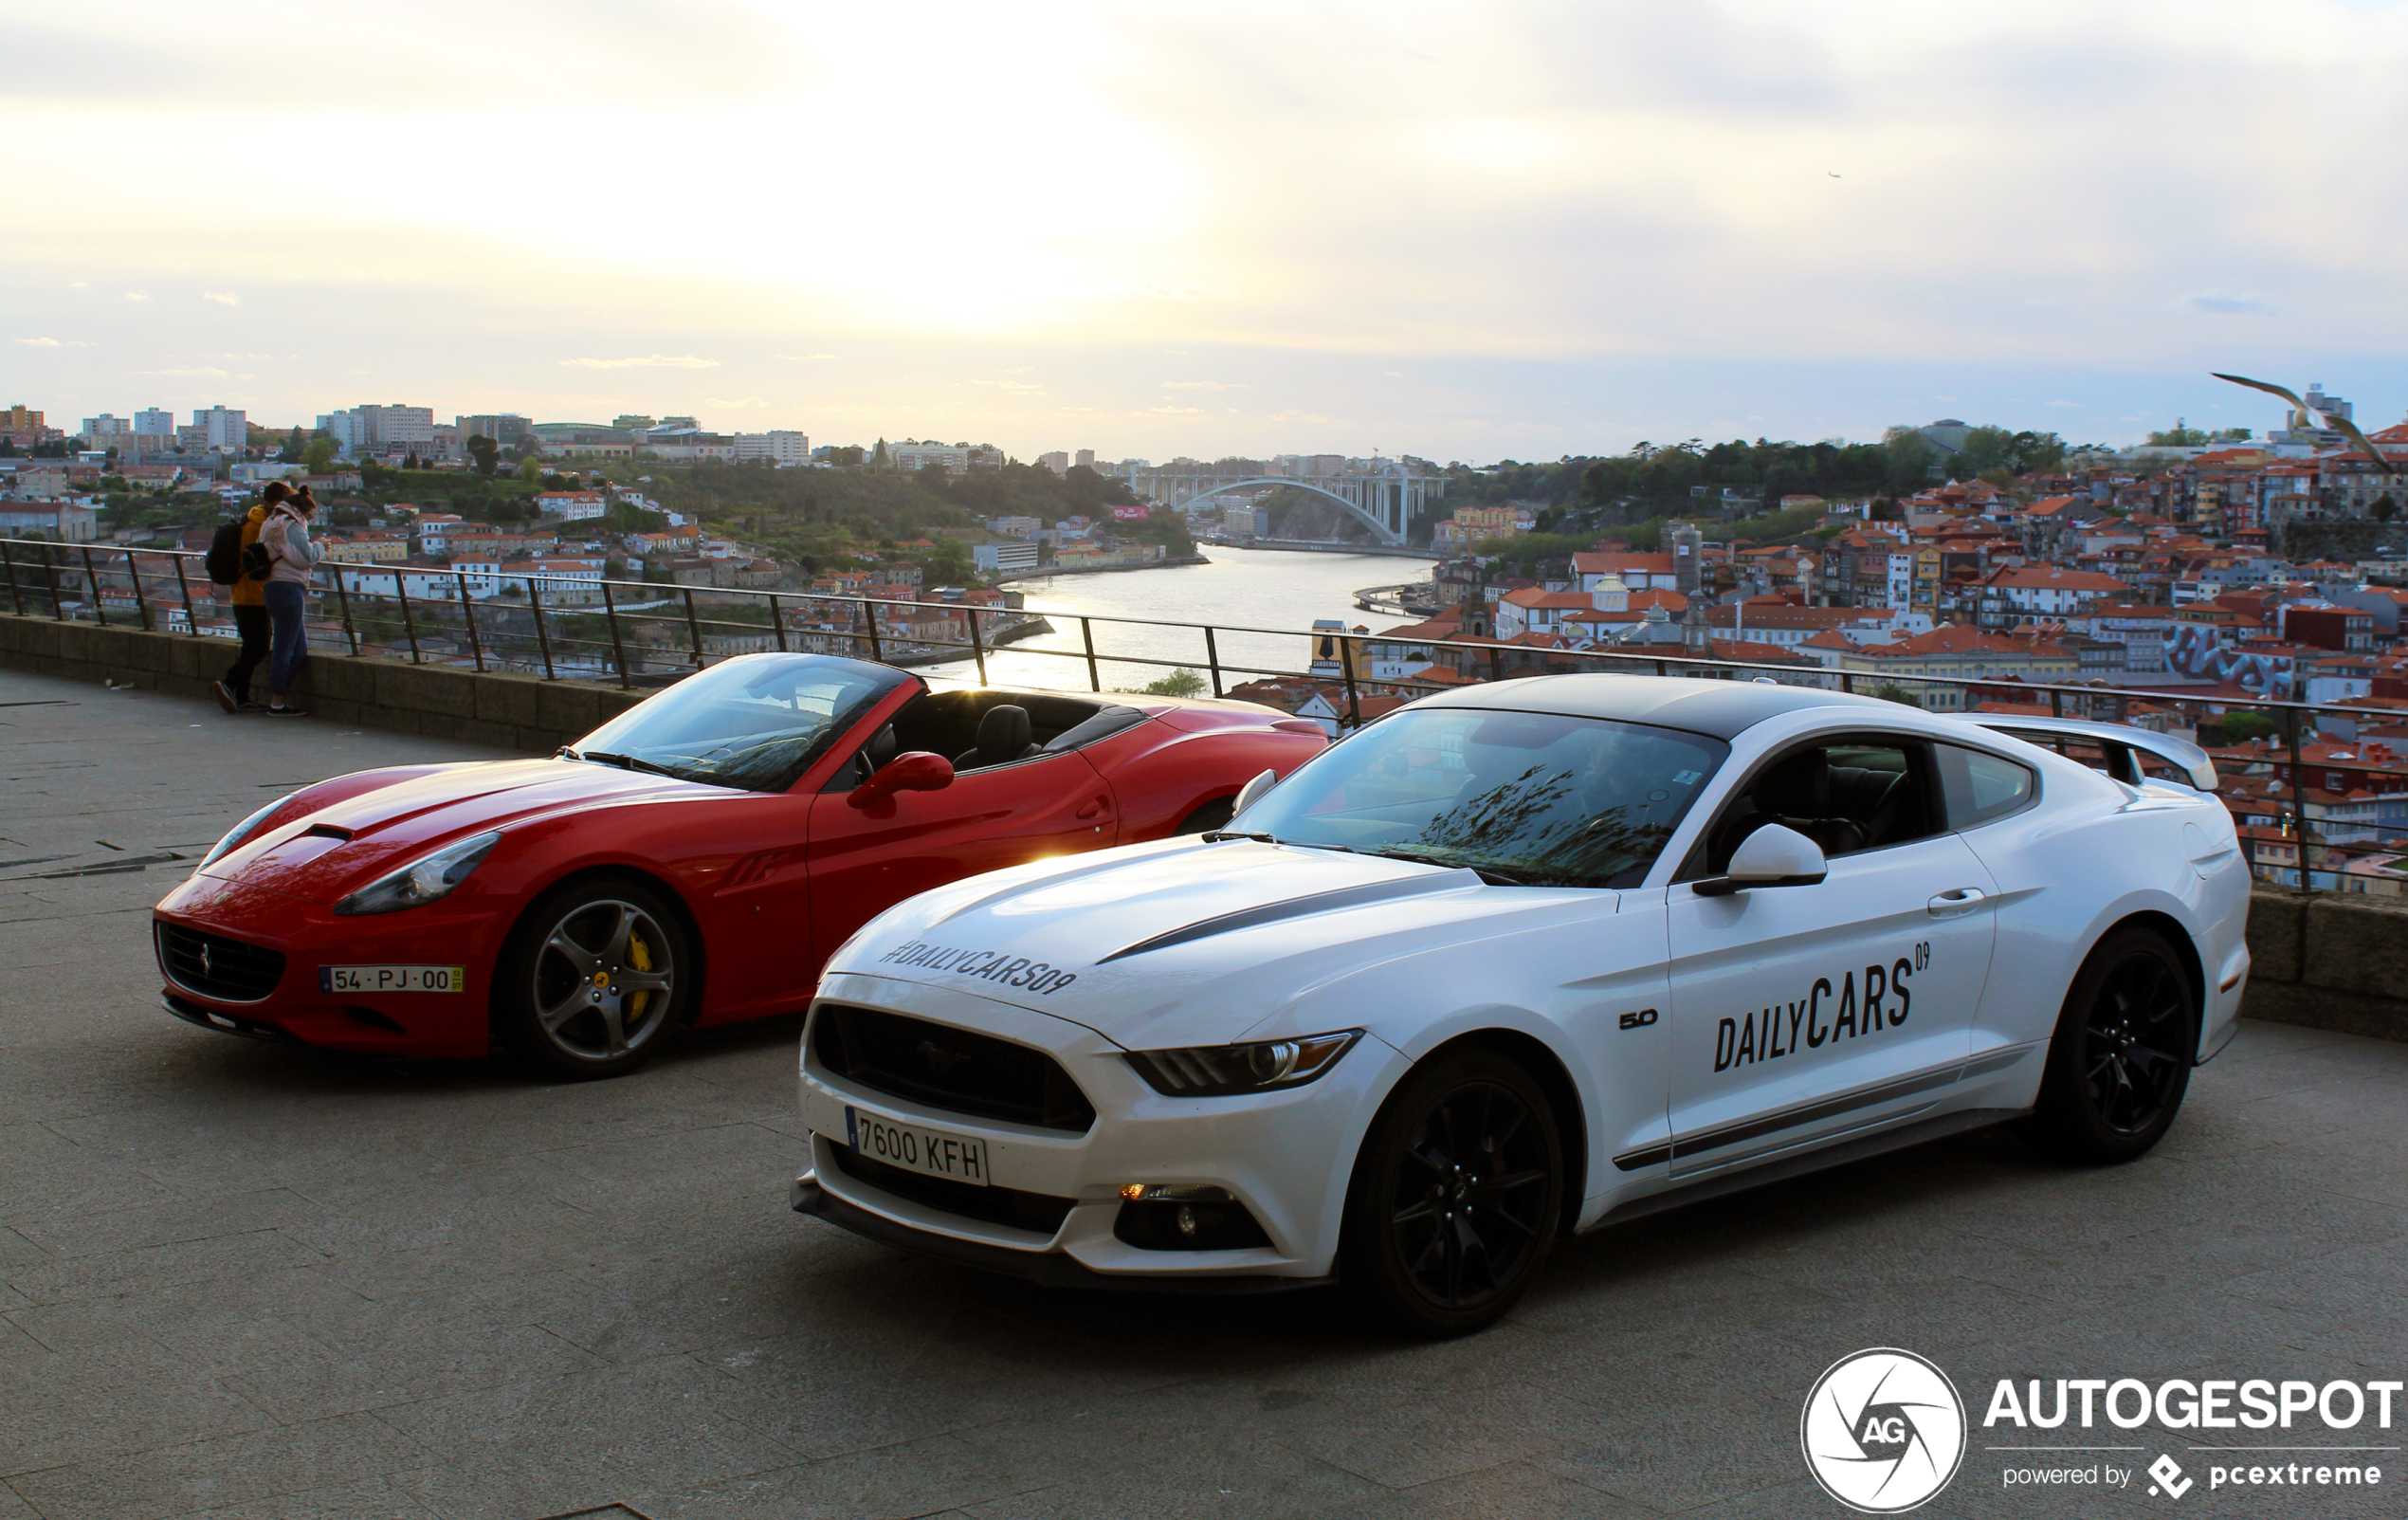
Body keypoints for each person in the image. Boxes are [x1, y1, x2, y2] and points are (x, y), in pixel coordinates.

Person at [212, 482, 283, 712]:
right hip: (253, 596)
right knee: (258, 646)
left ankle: (241, 696)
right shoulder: (260, 528)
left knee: (251, 645)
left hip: (243, 593)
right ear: (272, 503)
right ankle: (228, 683)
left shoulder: (251, 520)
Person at [258, 484, 319, 716]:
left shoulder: (270, 522)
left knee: (299, 650)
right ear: (301, 509)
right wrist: (322, 545)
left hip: (273, 587)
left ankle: (280, 694)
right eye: (309, 514)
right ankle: (277, 703)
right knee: (284, 649)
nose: (309, 518)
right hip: (288, 589)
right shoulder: (290, 525)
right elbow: (307, 558)